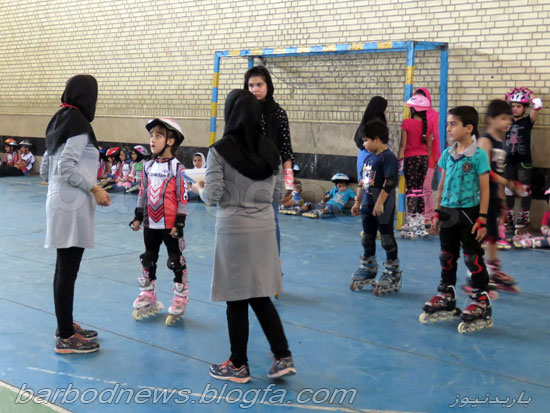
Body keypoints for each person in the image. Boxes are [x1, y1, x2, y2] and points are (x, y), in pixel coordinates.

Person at [197, 89, 295, 383]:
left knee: (236, 297)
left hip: (234, 230)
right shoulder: (271, 150)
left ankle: (238, 364)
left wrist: (199, 188)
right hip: (264, 229)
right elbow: (278, 195)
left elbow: (213, 195)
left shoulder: (219, 150)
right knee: (260, 294)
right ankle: (282, 355)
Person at [41, 74, 110, 354]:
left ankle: (65, 325)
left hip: (59, 200)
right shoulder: (79, 125)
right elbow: (66, 166)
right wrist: (94, 188)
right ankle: (66, 337)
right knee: (67, 270)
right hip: (73, 205)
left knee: (64, 269)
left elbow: (46, 167)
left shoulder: (59, 120)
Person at [419, 106, 492, 334]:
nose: (448, 128)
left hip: (470, 213)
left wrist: (482, 218)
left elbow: (485, 189)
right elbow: (441, 184)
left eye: (453, 124)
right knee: (447, 255)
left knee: (472, 257)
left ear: (469, 128)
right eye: (448, 124)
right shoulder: (447, 154)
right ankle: (446, 294)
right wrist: (436, 211)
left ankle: (481, 299)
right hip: (448, 212)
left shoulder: (479, 155)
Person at [129, 118, 190, 326]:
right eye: (151, 135)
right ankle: (148, 295)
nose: (152, 140)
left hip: (170, 225)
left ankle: (180, 297)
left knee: (175, 261)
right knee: (148, 258)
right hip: (150, 223)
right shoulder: (148, 166)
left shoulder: (177, 168)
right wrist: (138, 215)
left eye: (158, 136)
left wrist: (179, 223)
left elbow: (183, 197)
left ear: (170, 141)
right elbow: (143, 192)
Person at [464, 100, 520, 293]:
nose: (507, 122)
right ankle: (474, 274)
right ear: (490, 119)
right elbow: (485, 171)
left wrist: (502, 198)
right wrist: (508, 183)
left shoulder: (501, 142)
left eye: (509, 119)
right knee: (480, 235)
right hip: (481, 196)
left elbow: (499, 170)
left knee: (493, 235)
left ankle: (493, 270)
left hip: (493, 196)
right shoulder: (485, 141)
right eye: (503, 118)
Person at [244, 65, 294, 253]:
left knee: (272, 220)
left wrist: (289, 182)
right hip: (246, 176)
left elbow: (286, 150)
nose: (255, 89)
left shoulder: (279, 114)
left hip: (272, 176)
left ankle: (273, 263)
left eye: (259, 85)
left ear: (268, 86)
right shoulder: (243, 112)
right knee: (247, 222)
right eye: (251, 85)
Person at [350, 120, 401, 296]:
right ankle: (369, 266)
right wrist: (357, 201)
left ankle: (393, 270)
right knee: (367, 237)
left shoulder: (388, 157)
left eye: (366, 140)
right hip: (367, 204)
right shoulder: (369, 158)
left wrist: (380, 201)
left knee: (386, 239)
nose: (364, 144)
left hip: (383, 205)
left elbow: (390, 180)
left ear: (377, 139)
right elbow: (362, 181)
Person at [504, 87, 543, 230]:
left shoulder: (528, 121)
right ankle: (508, 215)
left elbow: (537, 105)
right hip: (508, 160)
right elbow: (498, 108)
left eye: (518, 106)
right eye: (513, 106)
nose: (515, 109)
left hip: (523, 161)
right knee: (508, 189)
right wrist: (507, 95)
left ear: (525, 108)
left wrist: (529, 93)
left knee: (524, 188)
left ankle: (524, 215)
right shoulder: (506, 120)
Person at [398, 94, 433, 239]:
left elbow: (403, 144)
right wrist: (426, 158)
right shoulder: (428, 125)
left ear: (413, 109)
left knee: (411, 191)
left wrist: (399, 160)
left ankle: (411, 224)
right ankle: (420, 224)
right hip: (424, 159)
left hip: (410, 158)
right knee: (419, 190)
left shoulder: (407, 123)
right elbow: (429, 146)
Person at [414, 88, 441, 229]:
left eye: (421, 98)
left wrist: (440, 157)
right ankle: (419, 215)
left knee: (426, 187)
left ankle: (429, 215)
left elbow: (437, 136)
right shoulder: (412, 116)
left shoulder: (434, 115)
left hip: (429, 155)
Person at [353, 96, 388, 179]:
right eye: (384, 109)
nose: (385, 112)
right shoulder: (376, 124)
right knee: (369, 184)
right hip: (372, 160)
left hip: (363, 158)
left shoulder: (366, 121)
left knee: (365, 183)